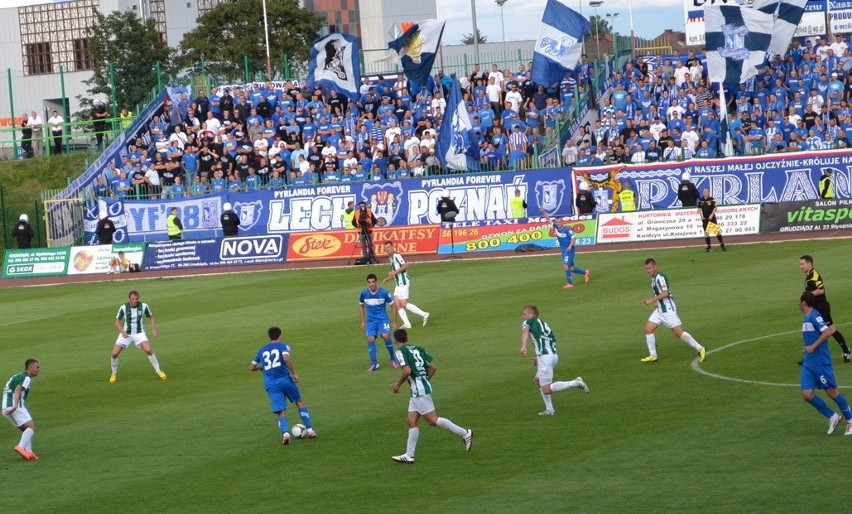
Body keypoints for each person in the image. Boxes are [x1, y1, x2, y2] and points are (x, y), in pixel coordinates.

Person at [390, 328, 473, 463]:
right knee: (411, 421)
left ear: (396, 340)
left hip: (419, 391)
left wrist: (398, 384)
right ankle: (409, 455)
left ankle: (465, 433)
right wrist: (424, 380)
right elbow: (433, 367)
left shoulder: (400, 352)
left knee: (432, 420)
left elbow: (407, 370)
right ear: (407, 337)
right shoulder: (419, 348)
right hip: (419, 389)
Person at [250, 326, 317, 445]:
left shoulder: (262, 349)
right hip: (285, 380)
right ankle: (310, 430)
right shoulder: (283, 346)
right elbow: (286, 358)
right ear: (280, 335)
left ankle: (286, 434)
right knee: (299, 402)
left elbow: (252, 367)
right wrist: (294, 373)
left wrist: (263, 367)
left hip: (271, 384)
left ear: (269, 336)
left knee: (281, 411)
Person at [797, 292, 852, 435]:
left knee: (832, 392)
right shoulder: (807, 318)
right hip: (809, 363)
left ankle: (851, 421)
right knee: (806, 394)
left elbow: (827, 332)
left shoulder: (815, 316)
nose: (798, 303)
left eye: (799, 301)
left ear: (804, 303)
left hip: (821, 361)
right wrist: (808, 349)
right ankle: (833, 417)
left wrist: (813, 346)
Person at [519, 305, 589, 416]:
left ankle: (575, 382)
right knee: (538, 381)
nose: (523, 317)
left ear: (531, 315)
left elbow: (525, 331)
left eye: (524, 314)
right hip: (553, 356)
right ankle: (549, 409)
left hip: (545, 358)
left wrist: (524, 346)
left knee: (546, 389)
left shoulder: (529, 322)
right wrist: (538, 357)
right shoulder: (544, 325)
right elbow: (549, 341)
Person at [640, 258, 706, 363]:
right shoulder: (653, 278)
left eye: (650, 268)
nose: (648, 270)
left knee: (678, 332)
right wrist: (656, 303)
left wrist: (651, 300)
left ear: (655, 266)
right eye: (646, 268)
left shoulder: (660, 277)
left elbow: (665, 293)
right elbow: (659, 293)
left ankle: (700, 348)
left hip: (667, 309)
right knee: (648, 329)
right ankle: (653, 355)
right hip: (660, 309)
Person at [800, 255, 851, 362]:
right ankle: (809, 355)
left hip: (821, 307)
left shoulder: (814, 274)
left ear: (809, 264)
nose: (801, 266)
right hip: (815, 308)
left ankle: (847, 351)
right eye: (800, 264)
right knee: (814, 330)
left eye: (802, 264)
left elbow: (822, 290)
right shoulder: (809, 276)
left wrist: (807, 295)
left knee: (830, 330)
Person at [110, 290, 167, 383]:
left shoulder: (144, 306)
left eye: (136, 299)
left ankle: (159, 371)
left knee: (148, 350)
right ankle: (114, 373)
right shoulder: (123, 307)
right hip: (126, 334)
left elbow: (151, 317)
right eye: (133, 299)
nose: (135, 301)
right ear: (129, 299)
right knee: (114, 354)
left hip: (139, 333)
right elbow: (117, 321)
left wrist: (154, 329)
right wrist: (122, 331)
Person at [383, 241, 430, 329]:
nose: (387, 249)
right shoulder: (391, 257)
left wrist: (394, 272)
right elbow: (396, 271)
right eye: (386, 248)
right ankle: (407, 323)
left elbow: (405, 265)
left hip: (403, 282)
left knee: (403, 303)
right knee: (397, 303)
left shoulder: (396, 255)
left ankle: (424, 314)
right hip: (398, 283)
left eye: (389, 247)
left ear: (392, 247)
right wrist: (389, 278)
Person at [2, 359, 41, 460]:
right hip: (15, 406)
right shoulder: (26, 377)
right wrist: (15, 406)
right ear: (30, 368)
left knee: (26, 429)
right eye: (37, 367)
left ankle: (29, 453)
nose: (38, 370)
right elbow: (18, 389)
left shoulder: (18, 376)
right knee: (31, 427)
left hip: (5, 408)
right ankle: (20, 447)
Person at [358, 273, 397, 372]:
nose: (371, 284)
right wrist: (362, 321)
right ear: (367, 283)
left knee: (385, 336)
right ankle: (374, 364)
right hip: (371, 321)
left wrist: (394, 322)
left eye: (373, 282)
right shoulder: (363, 294)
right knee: (370, 338)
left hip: (382, 319)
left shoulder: (384, 293)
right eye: (369, 282)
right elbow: (361, 306)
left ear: (376, 282)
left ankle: (393, 359)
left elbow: (393, 306)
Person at [544, 212, 590, 289]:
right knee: (571, 268)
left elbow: (574, 238)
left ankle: (570, 284)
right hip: (563, 250)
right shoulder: (555, 227)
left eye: (559, 222)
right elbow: (548, 219)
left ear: (562, 222)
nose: (558, 223)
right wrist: (543, 211)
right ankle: (585, 272)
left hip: (569, 250)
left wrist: (570, 245)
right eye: (557, 222)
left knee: (566, 266)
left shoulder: (567, 229)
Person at [697, 188, 726, 252]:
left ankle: (722, 244)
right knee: (706, 233)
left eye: (706, 191)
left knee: (717, 232)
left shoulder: (712, 199)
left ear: (709, 192)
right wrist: (701, 216)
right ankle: (709, 247)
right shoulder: (700, 200)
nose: (705, 192)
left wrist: (712, 214)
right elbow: (699, 209)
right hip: (705, 218)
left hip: (711, 218)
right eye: (704, 191)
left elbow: (715, 208)